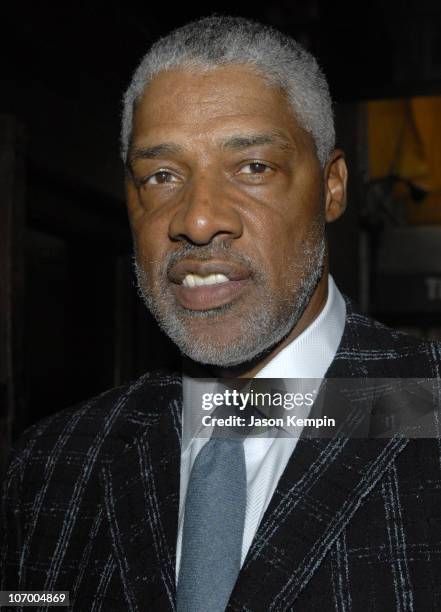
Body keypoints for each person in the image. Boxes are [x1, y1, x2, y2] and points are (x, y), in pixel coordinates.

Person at [2, 15, 441, 612]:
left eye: (253, 167)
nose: (198, 218)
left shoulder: (428, 408)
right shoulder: (54, 463)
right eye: (161, 175)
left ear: (332, 187)